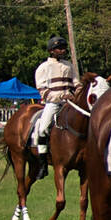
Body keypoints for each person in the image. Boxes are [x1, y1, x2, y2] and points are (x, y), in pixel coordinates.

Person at [31, 35, 77, 180]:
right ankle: (43, 163)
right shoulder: (44, 68)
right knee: (42, 128)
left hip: (71, 103)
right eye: (59, 48)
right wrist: (60, 97)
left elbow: (77, 83)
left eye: (63, 48)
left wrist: (77, 93)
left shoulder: (69, 65)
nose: (62, 50)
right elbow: (43, 90)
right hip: (54, 103)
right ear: (52, 50)